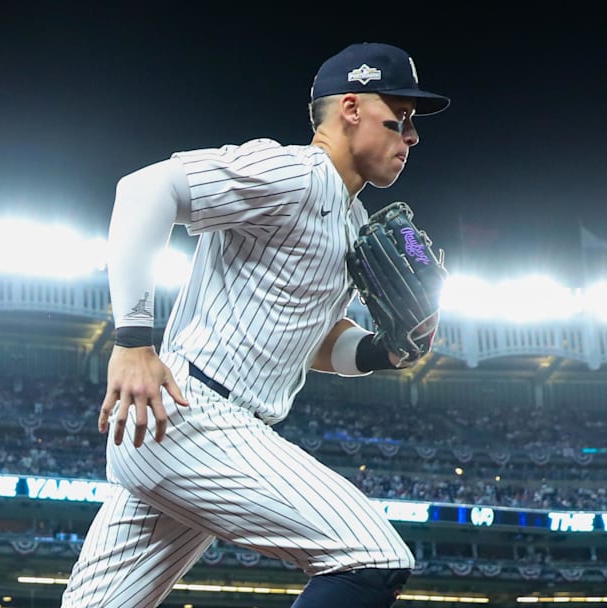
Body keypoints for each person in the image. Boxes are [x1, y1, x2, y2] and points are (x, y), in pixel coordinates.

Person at [61, 42, 450, 608]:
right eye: (400, 118)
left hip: (190, 429)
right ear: (350, 109)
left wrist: (382, 351)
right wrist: (133, 341)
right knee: (372, 557)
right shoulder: (294, 172)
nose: (411, 136)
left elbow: (314, 336)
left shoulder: (352, 219)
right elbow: (144, 189)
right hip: (196, 414)